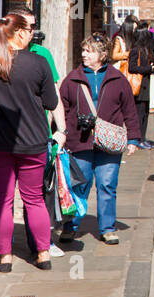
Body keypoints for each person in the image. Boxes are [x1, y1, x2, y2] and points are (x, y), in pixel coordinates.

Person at [0, 13, 66, 272]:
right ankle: (43, 253)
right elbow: (50, 102)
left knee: (1, 199)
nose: (32, 35)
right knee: (34, 198)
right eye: (29, 30)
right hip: (33, 140)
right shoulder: (38, 63)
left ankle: (4, 257)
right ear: (20, 34)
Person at [57, 33, 140, 244]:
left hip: (109, 143)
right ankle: (71, 225)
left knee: (107, 185)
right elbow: (62, 109)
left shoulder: (117, 79)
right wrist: (60, 134)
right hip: (79, 141)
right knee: (78, 186)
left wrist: (133, 139)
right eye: (83, 50)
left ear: (102, 55)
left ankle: (107, 228)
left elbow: (130, 110)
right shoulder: (72, 79)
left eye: (89, 51)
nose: (84, 54)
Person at [127, 22, 154, 148]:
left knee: (145, 112)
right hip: (138, 86)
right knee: (139, 113)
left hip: (145, 84)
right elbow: (132, 67)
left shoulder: (146, 50)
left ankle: (143, 137)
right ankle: (138, 139)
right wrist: (149, 69)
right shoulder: (136, 50)